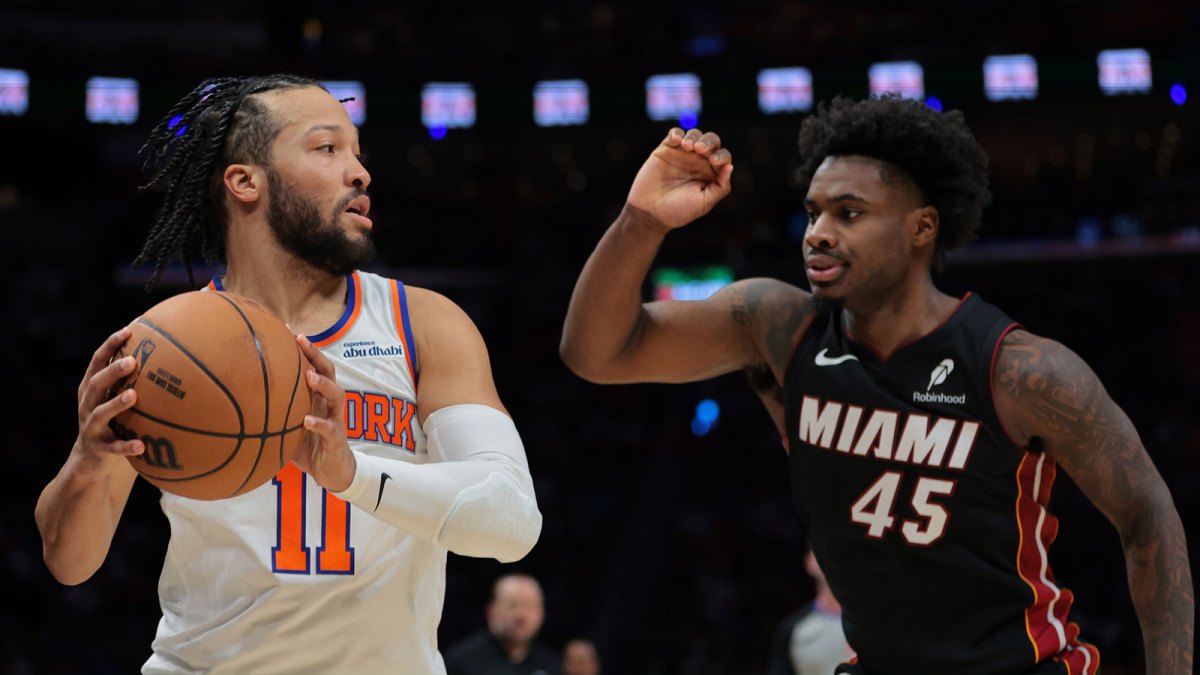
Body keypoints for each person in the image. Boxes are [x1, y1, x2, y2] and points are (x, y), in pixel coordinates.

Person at [559, 96, 1193, 674]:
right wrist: (641, 219)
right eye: (813, 212)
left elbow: (1148, 515)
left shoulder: (1019, 369)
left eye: (849, 213)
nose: (818, 232)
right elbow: (596, 353)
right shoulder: (779, 329)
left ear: (921, 228)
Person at [34, 74, 543, 674]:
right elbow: (70, 563)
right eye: (328, 148)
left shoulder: (423, 324)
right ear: (245, 181)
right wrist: (88, 460)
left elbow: (512, 520)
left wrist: (352, 475)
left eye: (358, 153)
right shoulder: (165, 349)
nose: (360, 173)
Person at [444, 573, 562, 675]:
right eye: (512, 605)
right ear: (491, 611)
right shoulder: (461, 662)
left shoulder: (552, 665)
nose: (521, 615)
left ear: (542, 613)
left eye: (530, 606)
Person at [765, 549, 852, 675]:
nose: (833, 559)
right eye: (822, 551)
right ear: (809, 562)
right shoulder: (793, 629)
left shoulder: (872, 624)